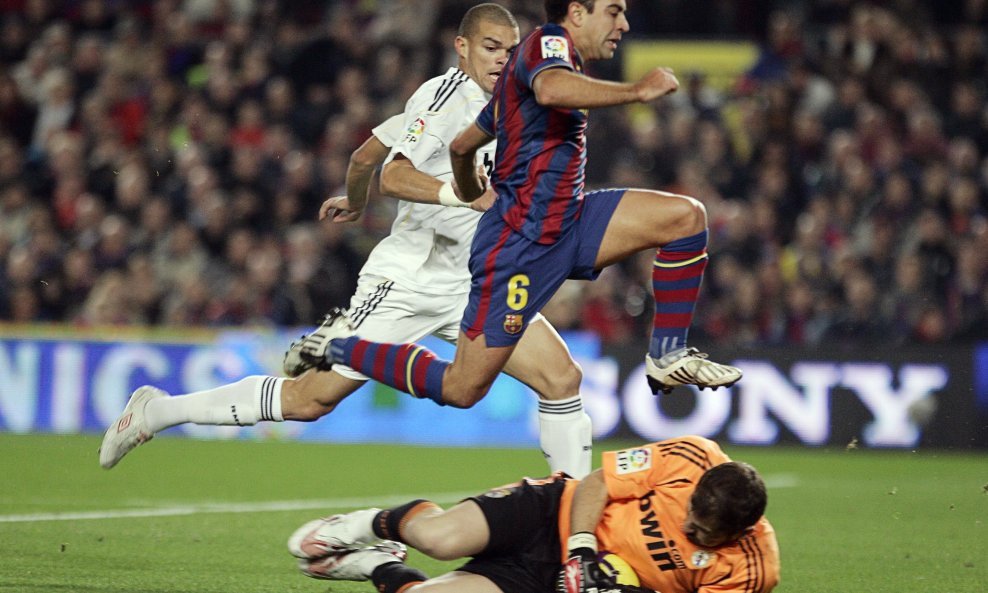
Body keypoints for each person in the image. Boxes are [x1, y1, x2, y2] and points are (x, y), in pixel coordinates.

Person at [99, 3, 594, 478]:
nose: (503, 61)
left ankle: (573, 531)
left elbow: (364, 157)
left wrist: (355, 201)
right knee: (309, 400)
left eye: (511, 50)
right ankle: (157, 412)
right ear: (461, 47)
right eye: (491, 48)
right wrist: (462, 197)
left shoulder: (509, 102)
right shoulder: (442, 97)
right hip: (410, 278)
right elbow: (395, 176)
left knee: (561, 378)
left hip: (476, 281)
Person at [291, 0, 742, 412]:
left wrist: (469, 186)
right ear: (577, 13)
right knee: (462, 389)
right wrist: (636, 91)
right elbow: (550, 89)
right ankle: (342, 348)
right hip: (518, 244)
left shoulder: (520, 80)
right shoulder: (546, 45)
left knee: (686, 218)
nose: (624, 23)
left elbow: (464, 143)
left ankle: (667, 353)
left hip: (569, 221)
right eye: (614, 11)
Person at [285, 435, 780, 593]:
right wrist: (583, 548)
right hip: (553, 512)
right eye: (690, 515)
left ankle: (379, 563)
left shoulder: (751, 572)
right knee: (439, 539)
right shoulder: (692, 457)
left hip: (563, 585)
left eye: (703, 534)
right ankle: (366, 524)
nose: (688, 528)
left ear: (742, 532)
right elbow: (599, 482)